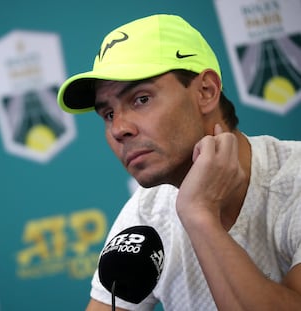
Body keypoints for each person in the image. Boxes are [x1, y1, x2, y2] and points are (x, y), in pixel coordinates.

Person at [57, 14, 301, 310]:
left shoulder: (294, 177)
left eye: (141, 99)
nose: (119, 128)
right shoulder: (146, 212)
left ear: (206, 91)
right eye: (108, 114)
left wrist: (199, 215)